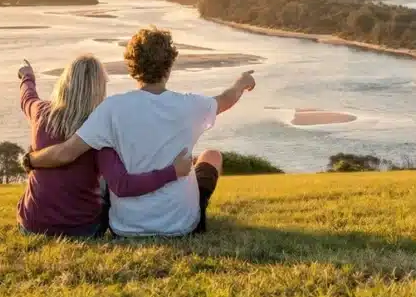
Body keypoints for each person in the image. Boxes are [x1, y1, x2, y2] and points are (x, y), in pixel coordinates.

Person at [27, 28, 256, 237]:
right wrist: (241, 82)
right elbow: (226, 99)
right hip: (181, 225)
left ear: (132, 68)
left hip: (126, 228)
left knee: (107, 177)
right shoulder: (191, 106)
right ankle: (198, 208)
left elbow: (66, 153)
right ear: (169, 66)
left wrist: (31, 159)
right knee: (211, 156)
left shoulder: (110, 109)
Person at [17, 54, 194, 238]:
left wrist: (27, 76)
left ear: (65, 82)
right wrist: (173, 171)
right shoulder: (100, 129)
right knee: (107, 182)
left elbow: (27, 96)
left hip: (32, 225)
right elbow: (122, 185)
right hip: (82, 230)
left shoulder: (39, 112)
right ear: (99, 88)